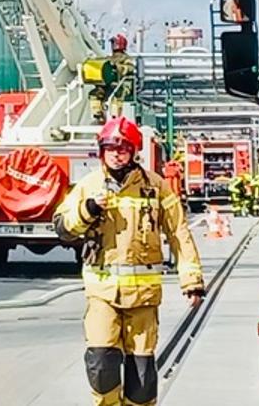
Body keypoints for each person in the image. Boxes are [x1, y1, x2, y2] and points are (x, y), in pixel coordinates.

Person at [55, 117, 204, 406]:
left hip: (144, 299)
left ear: (133, 151)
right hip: (102, 294)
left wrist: (192, 281)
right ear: (101, 151)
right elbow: (63, 227)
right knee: (101, 364)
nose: (116, 153)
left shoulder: (156, 187)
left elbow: (178, 233)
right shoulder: (89, 186)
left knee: (142, 377)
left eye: (123, 148)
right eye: (110, 147)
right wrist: (88, 210)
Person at [88, 33, 136, 123]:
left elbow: (129, 68)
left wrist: (118, 67)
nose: (113, 45)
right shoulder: (108, 58)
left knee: (118, 94)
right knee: (95, 93)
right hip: (109, 85)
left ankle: (115, 117)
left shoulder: (127, 58)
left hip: (123, 85)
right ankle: (98, 114)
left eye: (114, 42)